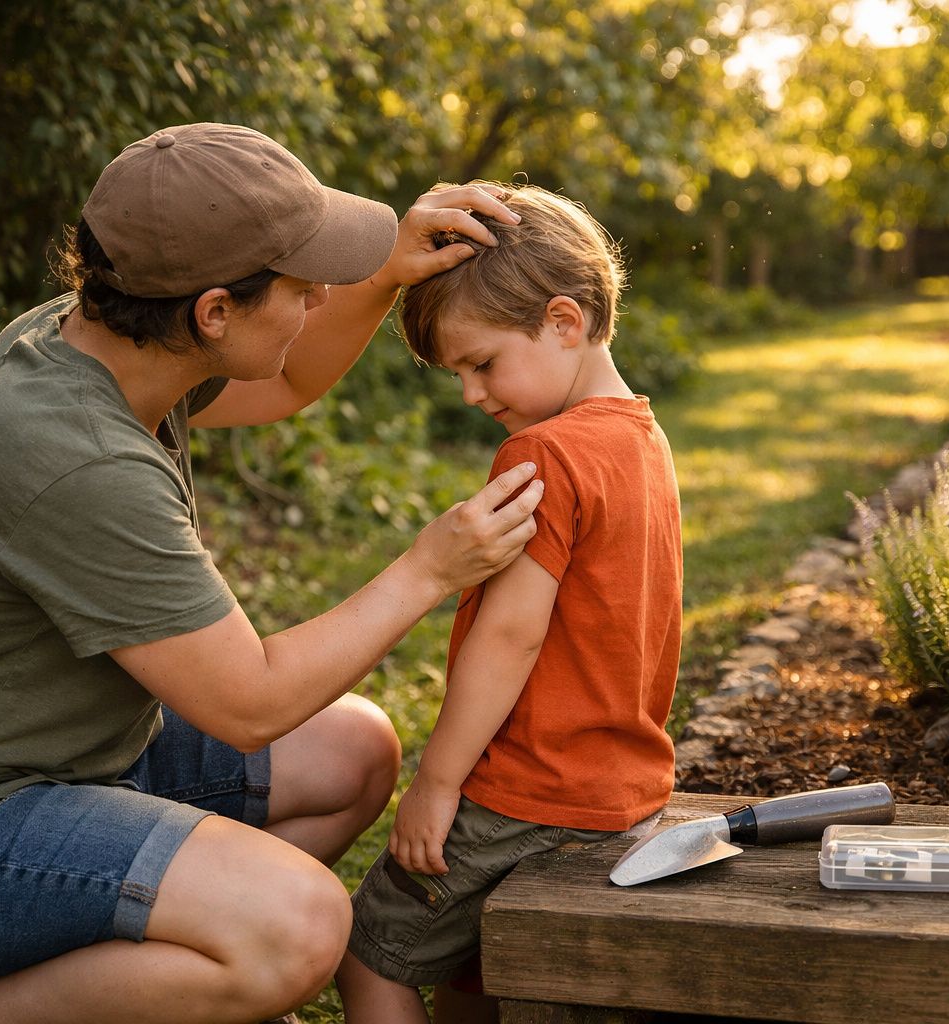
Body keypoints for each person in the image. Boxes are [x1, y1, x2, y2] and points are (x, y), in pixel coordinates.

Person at [0, 124, 545, 1024]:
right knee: (297, 927)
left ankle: (161, 979)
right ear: (213, 313)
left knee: (354, 751)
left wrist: (382, 274)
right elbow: (247, 703)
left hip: (61, 767)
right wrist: (427, 570)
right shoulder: (76, 459)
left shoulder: (97, 337)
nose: (320, 297)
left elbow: (287, 382)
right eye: (303, 286)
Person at [334, 182, 684, 1024]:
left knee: (366, 956)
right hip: (620, 790)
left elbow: (511, 637)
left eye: (481, 363)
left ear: (564, 321)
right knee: (472, 972)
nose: (470, 394)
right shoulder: (643, 439)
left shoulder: (545, 454)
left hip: (523, 795)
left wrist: (436, 782)